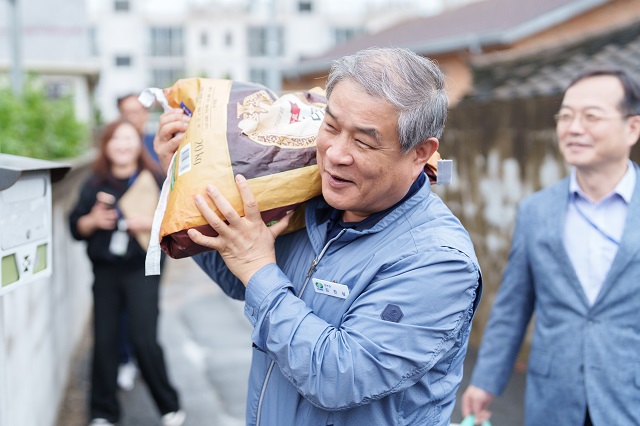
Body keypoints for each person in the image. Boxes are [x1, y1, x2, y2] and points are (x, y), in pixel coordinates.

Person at [154, 47, 482, 425]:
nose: (334, 154)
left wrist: (259, 267)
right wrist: (181, 180)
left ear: (418, 153)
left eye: (363, 141)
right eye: (330, 126)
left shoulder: (437, 260)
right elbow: (240, 277)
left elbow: (340, 377)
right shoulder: (315, 207)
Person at [461, 67, 640, 426]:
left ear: (632, 127)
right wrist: (484, 381)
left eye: (591, 116)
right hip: (553, 400)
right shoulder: (536, 211)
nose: (574, 128)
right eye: (566, 116)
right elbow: (513, 306)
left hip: (629, 394)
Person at [69, 119, 185, 426]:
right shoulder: (94, 183)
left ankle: (169, 405)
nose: (122, 144)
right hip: (106, 271)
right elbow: (75, 227)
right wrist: (92, 220)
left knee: (144, 338)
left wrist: (149, 224)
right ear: (105, 145)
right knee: (105, 340)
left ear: (138, 143)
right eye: (115, 139)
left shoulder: (156, 179)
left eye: (128, 138)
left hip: (142, 269)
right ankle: (102, 411)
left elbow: (178, 225)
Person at [118, 93, 159, 163]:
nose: (132, 117)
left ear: (146, 114)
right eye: (127, 113)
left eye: (136, 112)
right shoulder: (115, 145)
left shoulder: (158, 143)